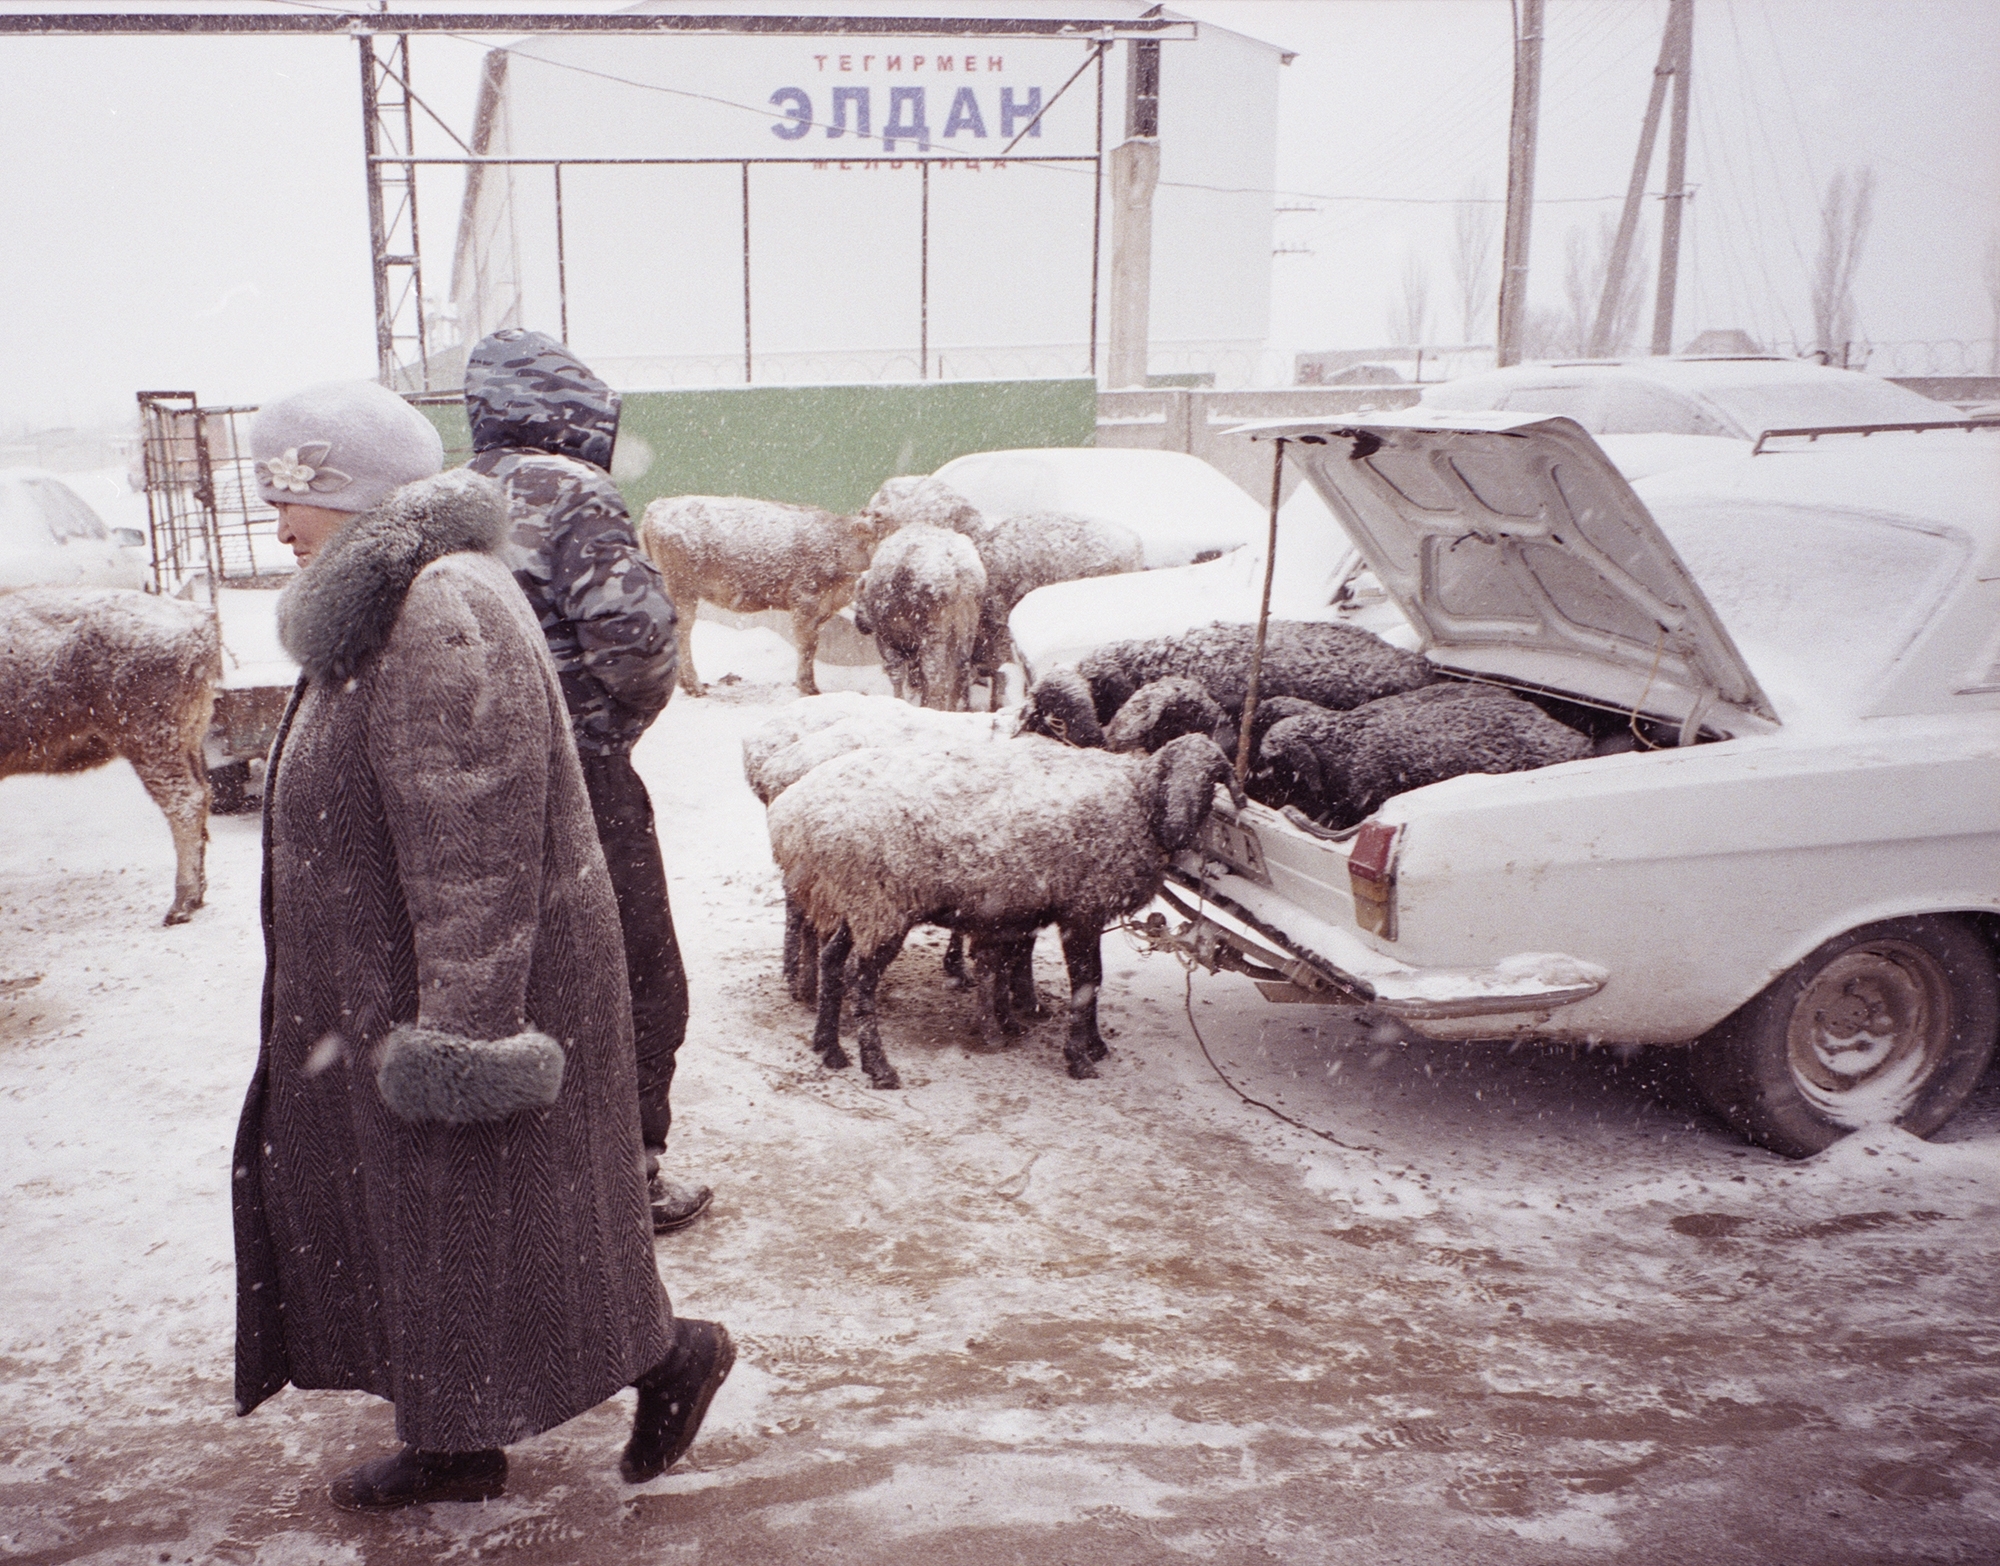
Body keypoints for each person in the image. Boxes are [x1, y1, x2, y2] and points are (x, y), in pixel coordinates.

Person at [232, 380, 732, 1511]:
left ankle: (665, 1358)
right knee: (461, 1226)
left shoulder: (432, 608)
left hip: (459, 990)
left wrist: (463, 1035)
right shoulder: (393, 595)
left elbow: (475, 837)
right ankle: (457, 1436)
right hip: (405, 982)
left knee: (487, 1223)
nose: (277, 526)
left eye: (291, 497)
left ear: (353, 493)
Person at [462, 329, 710, 1234]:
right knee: (633, 973)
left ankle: (513, 1177)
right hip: (578, 783)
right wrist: (604, 740)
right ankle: (625, 1179)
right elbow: (637, 644)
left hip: (464, 790)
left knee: (504, 978)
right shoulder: (571, 493)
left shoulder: (444, 498)